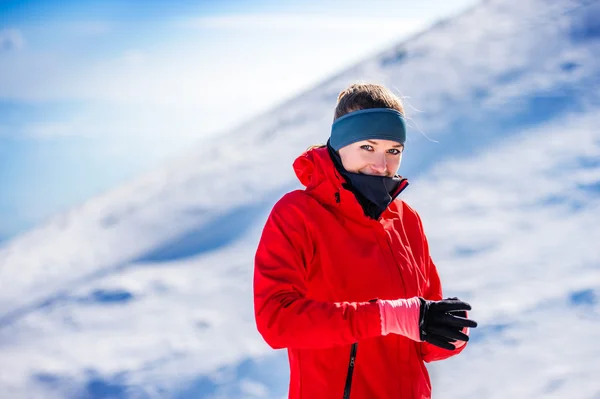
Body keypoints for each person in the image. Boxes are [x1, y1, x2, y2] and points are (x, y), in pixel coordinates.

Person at [253, 83, 477, 399]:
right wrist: (386, 317)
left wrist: (447, 333)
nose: (382, 165)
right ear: (341, 144)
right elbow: (276, 321)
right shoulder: (298, 214)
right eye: (368, 148)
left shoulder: (405, 219)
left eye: (393, 151)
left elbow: (418, 332)